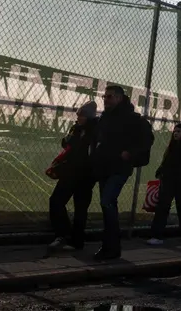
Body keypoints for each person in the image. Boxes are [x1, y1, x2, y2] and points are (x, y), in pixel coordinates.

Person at [91, 84, 151, 261]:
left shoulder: (131, 118)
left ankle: (111, 247)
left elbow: (146, 139)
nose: (105, 100)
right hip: (104, 167)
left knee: (107, 202)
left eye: (109, 97)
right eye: (104, 97)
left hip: (119, 168)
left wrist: (130, 153)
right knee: (107, 205)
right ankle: (110, 248)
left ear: (118, 98)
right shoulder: (105, 118)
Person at [48, 101, 98, 251]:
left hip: (84, 173)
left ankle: (72, 239)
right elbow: (66, 144)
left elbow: (77, 146)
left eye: (81, 115)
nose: (78, 117)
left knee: (79, 207)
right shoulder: (77, 128)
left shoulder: (93, 130)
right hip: (72, 172)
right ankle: (66, 235)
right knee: (58, 201)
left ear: (87, 116)